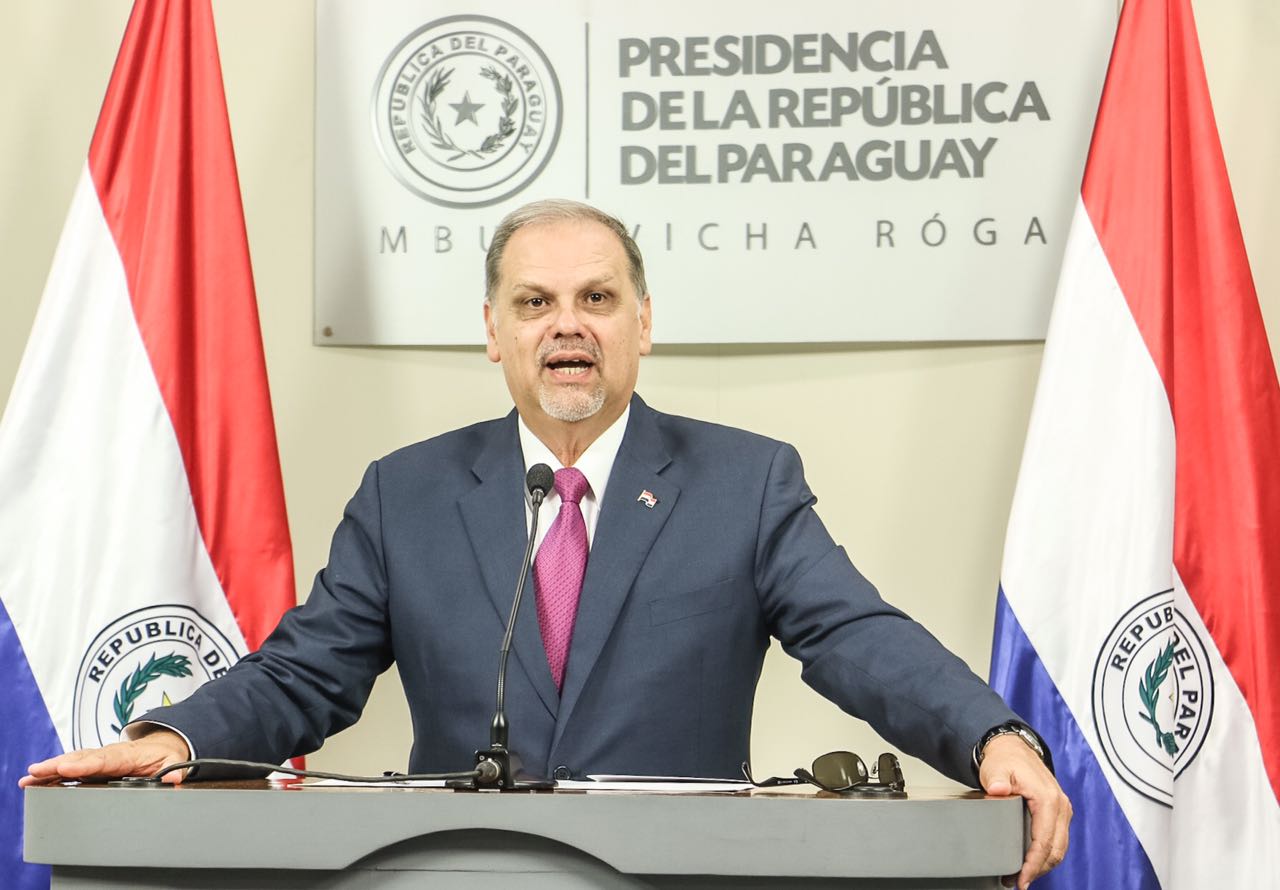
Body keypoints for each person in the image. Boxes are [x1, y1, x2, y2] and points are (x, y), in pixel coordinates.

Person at [22, 199, 1069, 889]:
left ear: (642, 323)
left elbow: (853, 632)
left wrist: (989, 736)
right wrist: (177, 738)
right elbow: (304, 672)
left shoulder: (746, 484)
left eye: (595, 298)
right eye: (535, 302)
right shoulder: (408, 492)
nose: (566, 324)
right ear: (493, 330)